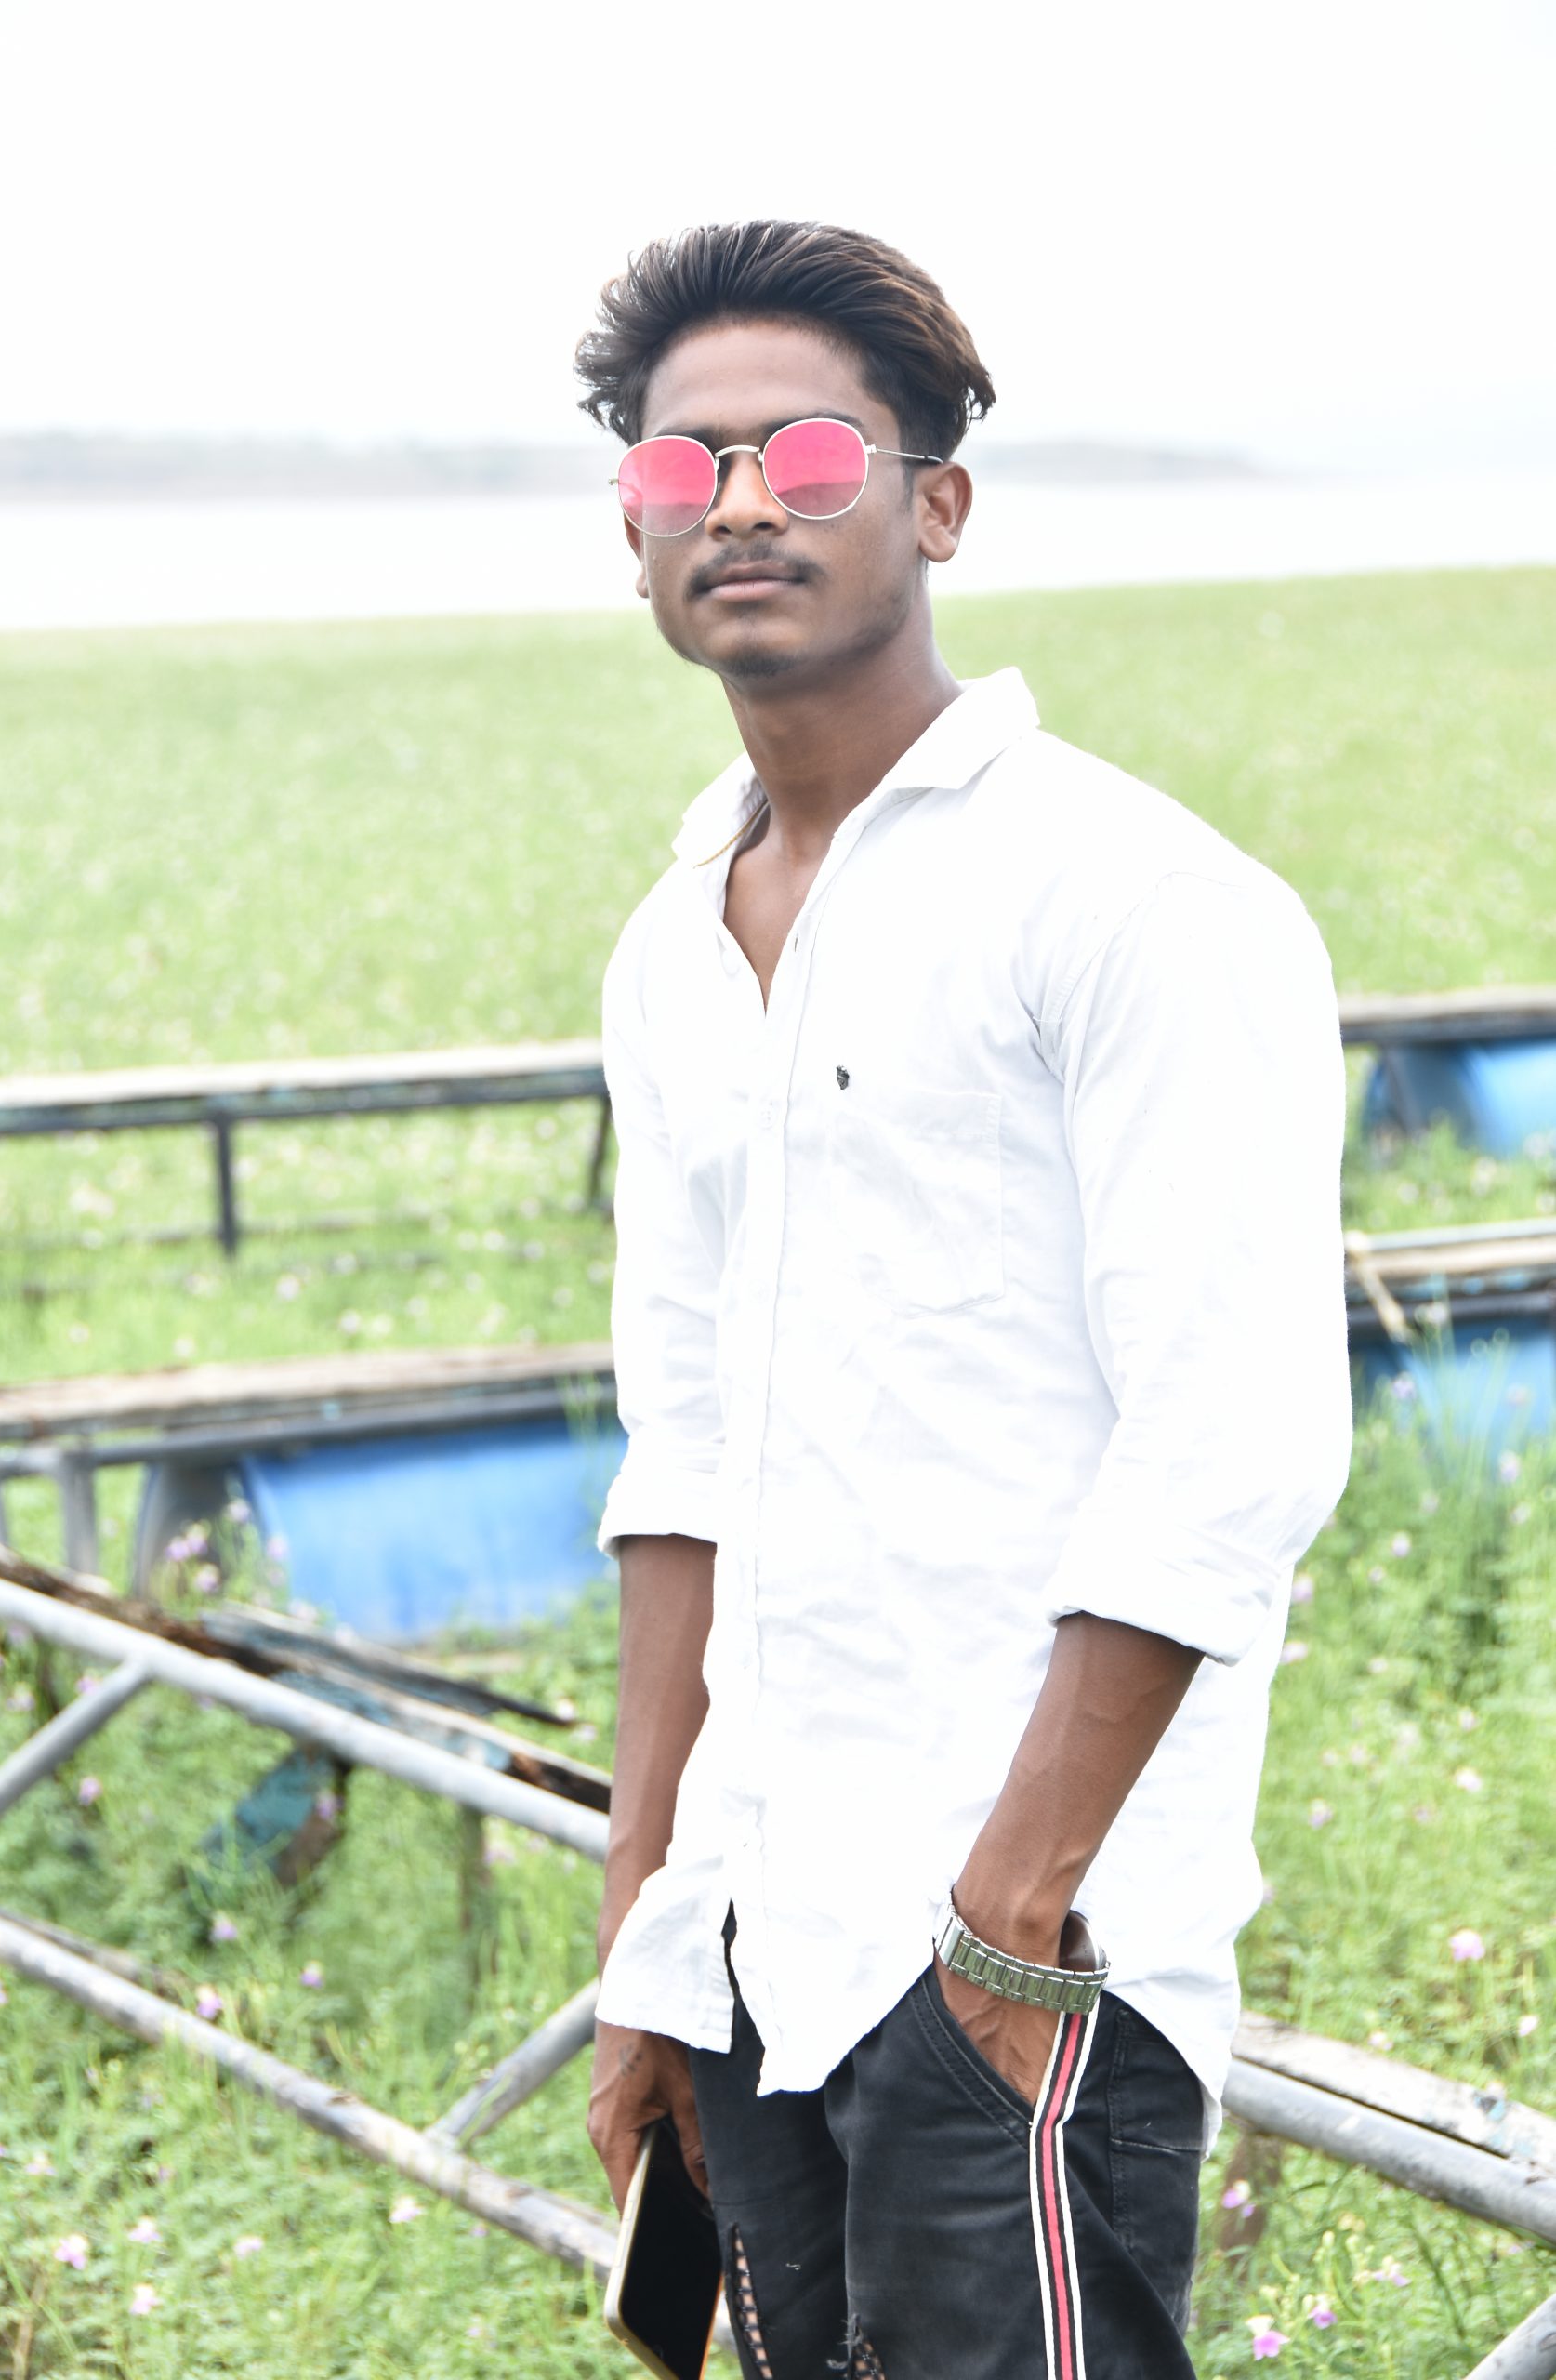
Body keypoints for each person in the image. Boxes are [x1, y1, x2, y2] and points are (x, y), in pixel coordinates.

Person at [574, 219, 1352, 2380]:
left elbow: (1231, 1439)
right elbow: (682, 1445)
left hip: (1013, 1957)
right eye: (676, 470)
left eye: (803, 452)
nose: (735, 503)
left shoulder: (1130, 898)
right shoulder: (673, 940)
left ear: (934, 503)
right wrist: (649, 1928)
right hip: (748, 1940)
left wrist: (1006, 1923)